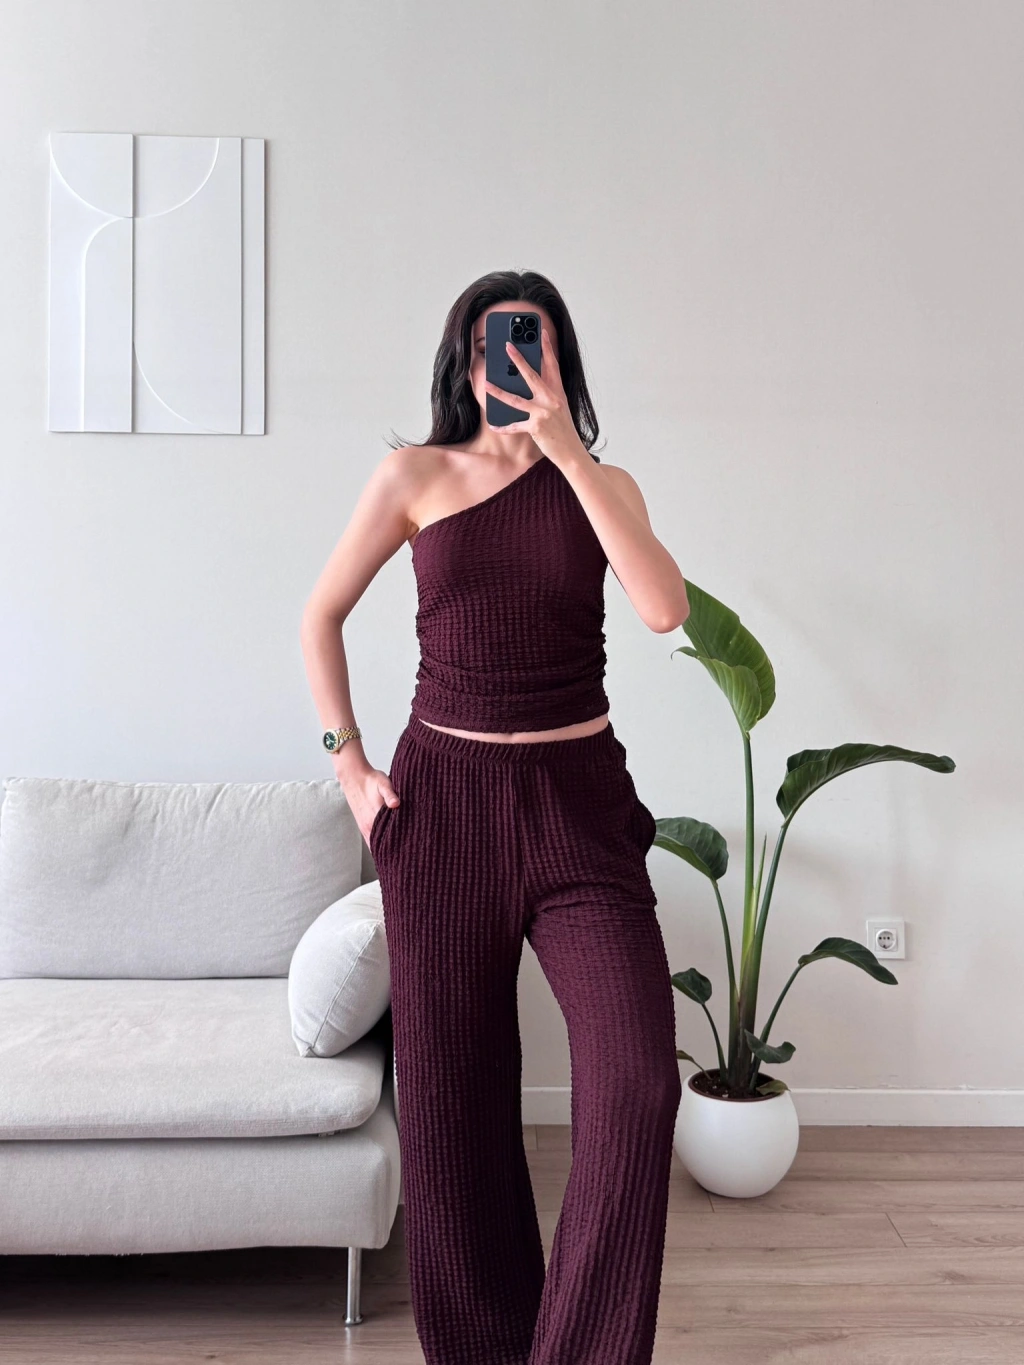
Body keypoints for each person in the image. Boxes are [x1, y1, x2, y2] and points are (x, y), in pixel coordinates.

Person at [300, 269, 690, 1365]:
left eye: (531, 343)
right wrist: (349, 766)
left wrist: (565, 451)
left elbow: (664, 609)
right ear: (461, 363)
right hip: (445, 809)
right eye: (491, 347)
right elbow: (320, 614)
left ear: (559, 358)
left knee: (636, 1080)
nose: (508, 363)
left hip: (580, 809)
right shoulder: (413, 475)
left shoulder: (604, 484)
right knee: (452, 1108)